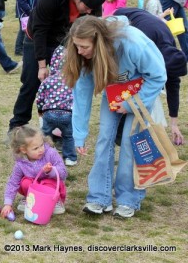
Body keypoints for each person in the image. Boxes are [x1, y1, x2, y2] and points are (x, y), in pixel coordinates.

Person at [64, 15, 167, 218]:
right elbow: (82, 96)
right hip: (113, 93)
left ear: (98, 41)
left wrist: (130, 104)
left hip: (140, 94)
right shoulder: (84, 57)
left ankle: (128, 200)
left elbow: (158, 75)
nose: (79, 51)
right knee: (104, 139)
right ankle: (99, 198)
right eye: (76, 46)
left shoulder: (133, 42)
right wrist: (79, 134)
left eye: (84, 46)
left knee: (131, 142)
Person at [8, 0, 105, 132]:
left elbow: (95, 28)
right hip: (37, 38)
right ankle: (17, 125)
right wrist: (41, 66)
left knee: (63, 85)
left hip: (64, 42)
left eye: (91, 10)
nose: (88, 12)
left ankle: (58, 129)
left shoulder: (92, 3)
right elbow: (40, 29)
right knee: (31, 82)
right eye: (86, 8)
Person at [114, 7, 187, 145]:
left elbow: (173, 87)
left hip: (147, 25)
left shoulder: (170, 52)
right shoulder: (144, 42)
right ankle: (120, 130)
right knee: (132, 80)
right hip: (122, 19)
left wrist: (174, 124)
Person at [0, 125, 68, 218]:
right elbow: (13, 183)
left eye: (41, 145)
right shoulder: (21, 162)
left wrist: (51, 171)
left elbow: (63, 173)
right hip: (34, 187)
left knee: (48, 183)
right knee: (25, 183)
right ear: (23, 150)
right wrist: (8, 204)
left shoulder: (50, 153)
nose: (41, 150)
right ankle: (30, 199)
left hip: (51, 186)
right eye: (35, 148)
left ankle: (54, 202)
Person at [36, 46, 77, 166]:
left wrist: (40, 112)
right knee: (68, 136)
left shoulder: (48, 80)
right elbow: (77, 99)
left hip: (49, 113)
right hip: (67, 114)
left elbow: (40, 98)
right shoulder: (73, 80)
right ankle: (70, 158)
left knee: (45, 135)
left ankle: (43, 156)